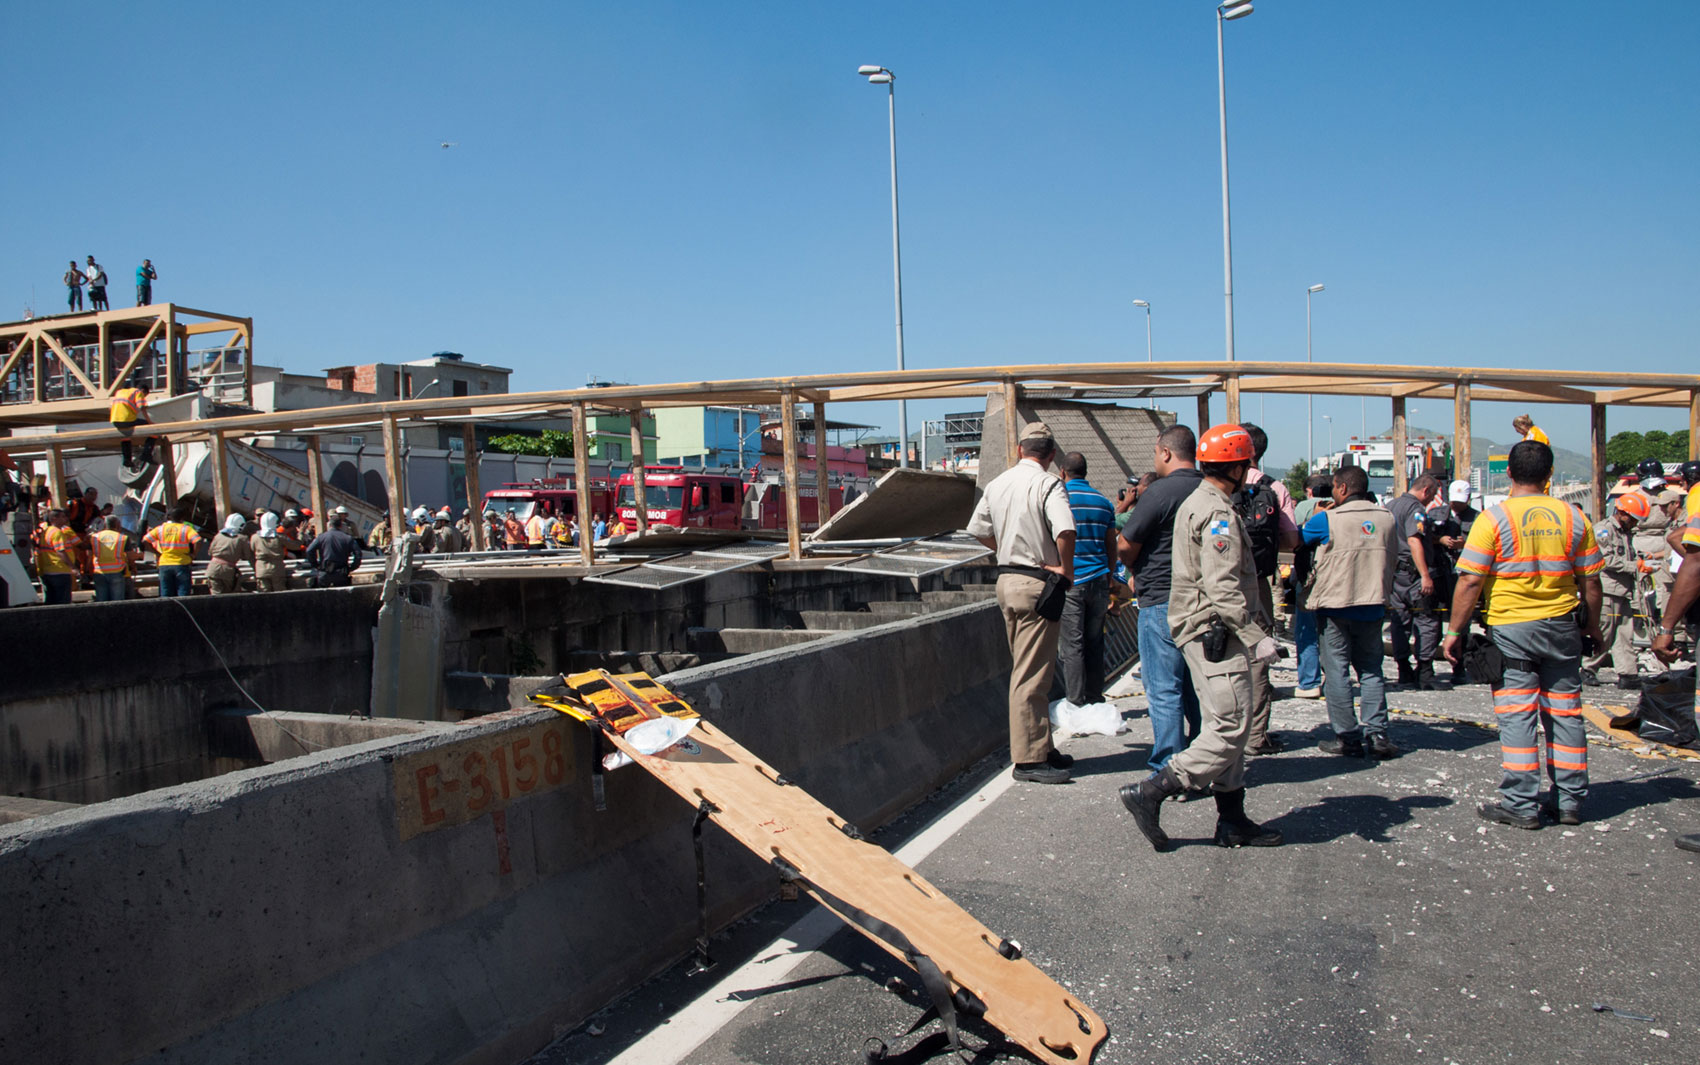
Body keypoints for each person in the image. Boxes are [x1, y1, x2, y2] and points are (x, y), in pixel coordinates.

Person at [1118, 424, 1283, 850]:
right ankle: (1152, 791)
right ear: (1239, 468)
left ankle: (1231, 819)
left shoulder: (1206, 502)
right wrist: (1255, 635)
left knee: (1225, 724)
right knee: (1230, 727)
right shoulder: (1218, 513)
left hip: (1208, 628)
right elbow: (1222, 586)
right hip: (1217, 631)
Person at [1443, 440, 1605, 829]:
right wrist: (1593, 625)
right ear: (1550, 475)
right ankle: (1568, 801)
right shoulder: (1573, 517)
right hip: (1562, 625)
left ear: (1510, 473)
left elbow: (1470, 581)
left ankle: (1520, 803)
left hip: (1513, 628)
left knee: (1518, 717)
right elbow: (1592, 582)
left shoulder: (1494, 519)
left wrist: (1454, 631)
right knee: (1565, 713)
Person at [967, 421, 1077, 784]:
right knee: (1033, 674)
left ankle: (1041, 746)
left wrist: (1005, 550)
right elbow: (1065, 529)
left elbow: (979, 530)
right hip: (1037, 583)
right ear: (1050, 455)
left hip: (1006, 580)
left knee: (1026, 666)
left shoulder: (997, 484)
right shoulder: (1048, 484)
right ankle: (1029, 760)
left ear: (1020, 450)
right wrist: (1065, 569)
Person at [1117, 426, 1204, 771]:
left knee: (1164, 688)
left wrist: (1132, 566)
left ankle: (1170, 768)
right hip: (1204, 602)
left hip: (1161, 600)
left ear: (1165, 453)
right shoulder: (1211, 489)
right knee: (1198, 688)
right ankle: (1204, 761)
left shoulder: (1160, 493)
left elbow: (1125, 544)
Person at [1302, 465, 1399, 758]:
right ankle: (1378, 734)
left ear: (1341, 488)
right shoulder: (1387, 518)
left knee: (1337, 672)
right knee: (1371, 670)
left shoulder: (1327, 519)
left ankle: (1347, 737)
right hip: (1373, 603)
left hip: (1335, 606)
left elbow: (1299, 539)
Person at [1239, 423, 1300, 755]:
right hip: (1257, 581)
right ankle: (1255, 736)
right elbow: (1291, 539)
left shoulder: (1213, 485)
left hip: (1216, 581)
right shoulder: (1274, 488)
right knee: (1258, 656)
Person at [1056, 451, 1117, 706]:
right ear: (1086, 472)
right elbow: (1111, 544)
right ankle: (1095, 697)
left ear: (1062, 473)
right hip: (1100, 580)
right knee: (1095, 641)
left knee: (1072, 646)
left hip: (1073, 582)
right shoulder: (1103, 502)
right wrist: (1110, 576)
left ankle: (1075, 702)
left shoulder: (1061, 500)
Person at [1584, 492, 1647, 689]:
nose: (1636, 523)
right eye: (1634, 519)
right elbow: (1607, 560)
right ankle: (1588, 668)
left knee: (1625, 634)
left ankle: (1627, 673)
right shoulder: (1604, 530)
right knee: (1604, 633)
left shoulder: (1625, 533)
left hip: (1624, 591)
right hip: (1608, 591)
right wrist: (1635, 566)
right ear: (1623, 514)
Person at [1387, 475, 1444, 689]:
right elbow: (1414, 539)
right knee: (1426, 620)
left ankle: (1403, 668)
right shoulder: (1416, 509)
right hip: (1413, 575)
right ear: (1427, 490)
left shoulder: (1390, 506)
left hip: (1395, 574)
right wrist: (1425, 575)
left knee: (1399, 621)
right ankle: (1425, 669)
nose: (1432, 501)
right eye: (1433, 495)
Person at [1290, 473, 1334, 699]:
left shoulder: (1307, 507)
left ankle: (1309, 681)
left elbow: (1293, 538)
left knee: (1306, 630)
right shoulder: (1342, 508)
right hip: (1335, 580)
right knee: (1331, 632)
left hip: (1309, 576)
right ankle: (1334, 681)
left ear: (1310, 491)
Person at [144, 503, 203, 598]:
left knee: (166, 594)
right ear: (182, 518)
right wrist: (193, 555)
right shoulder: (185, 529)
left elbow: (145, 540)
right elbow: (198, 541)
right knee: (183, 593)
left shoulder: (160, 529)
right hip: (182, 563)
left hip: (164, 564)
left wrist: (157, 553)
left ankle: (168, 612)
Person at [33, 509, 79, 605]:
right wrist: (72, 567)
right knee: (63, 601)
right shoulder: (57, 532)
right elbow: (60, 551)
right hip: (60, 570)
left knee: (51, 601)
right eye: (62, 517)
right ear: (54, 518)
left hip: (49, 570)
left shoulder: (46, 531)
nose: (65, 519)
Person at [89, 516, 138, 601]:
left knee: (101, 600)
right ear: (117, 524)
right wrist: (133, 567)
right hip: (117, 571)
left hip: (99, 572)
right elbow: (130, 557)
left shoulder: (94, 537)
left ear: (105, 524)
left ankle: (103, 614)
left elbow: (89, 556)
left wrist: (88, 570)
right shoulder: (122, 537)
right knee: (117, 601)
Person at [305, 516, 363, 587]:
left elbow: (309, 551)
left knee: (321, 596)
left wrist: (316, 565)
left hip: (325, 573)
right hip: (341, 574)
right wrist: (351, 568)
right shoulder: (348, 538)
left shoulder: (321, 537)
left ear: (329, 525)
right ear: (341, 525)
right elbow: (358, 554)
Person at [109, 382, 156, 469]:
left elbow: (110, 407)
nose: (144, 397)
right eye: (145, 395)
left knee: (126, 436)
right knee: (154, 431)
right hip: (127, 420)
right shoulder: (138, 392)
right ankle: (146, 454)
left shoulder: (120, 392)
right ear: (143, 390)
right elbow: (142, 408)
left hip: (115, 421)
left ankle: (127, 460)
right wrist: (150, 422)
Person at [205, 514, 254, 594]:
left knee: (215, 595)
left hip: (213, 569)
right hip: (228, 571)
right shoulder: (242, 539)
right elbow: (247, 556)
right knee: (229, 595)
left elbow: (210, 552)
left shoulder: (218, 536)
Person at [251, 511, 292, 592]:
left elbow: (252, 550)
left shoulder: (255, 537)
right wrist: (301, 534)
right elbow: (295, 546)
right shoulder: (280, 537)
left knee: (264, 596)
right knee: (279, 595)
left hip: (261, 570)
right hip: (277, 569)